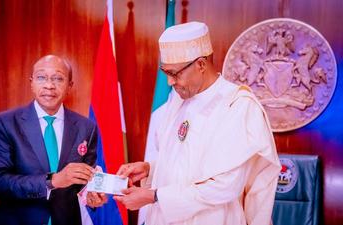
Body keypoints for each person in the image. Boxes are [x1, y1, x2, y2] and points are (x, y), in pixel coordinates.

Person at [114, 22, 281, 225]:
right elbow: (190, 163)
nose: (170, 82)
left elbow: (225, 185)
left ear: (201, 64)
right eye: (166, 73)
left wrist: (153, 196)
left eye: (175, 73)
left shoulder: (237, 106)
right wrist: (150, 168)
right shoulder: (178, 99)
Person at [0, 55, 107, 225]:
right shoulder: (5, 123)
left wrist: (91, 195)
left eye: (58, 78)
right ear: (32, 83)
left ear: (69, 86)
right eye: (41, 77)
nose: (49, 85)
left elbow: (85, 180)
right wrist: (53, 181)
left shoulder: (86, 127)